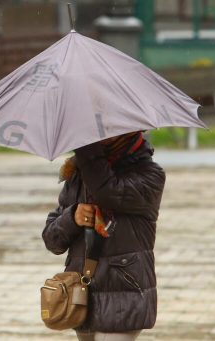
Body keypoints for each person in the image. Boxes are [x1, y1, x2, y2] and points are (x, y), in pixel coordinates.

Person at [42, 131, 166, 341]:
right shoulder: (78, 175)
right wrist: (72, 217)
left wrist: (85, 149)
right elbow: (53, 240)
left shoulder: (149, 174)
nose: (101, 135)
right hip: (84, 294)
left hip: (124, 293)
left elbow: (108, 192)